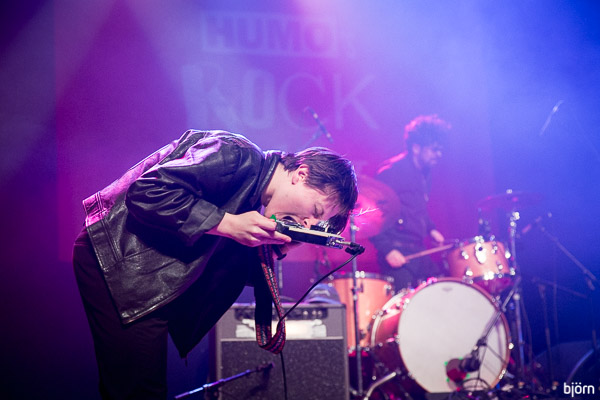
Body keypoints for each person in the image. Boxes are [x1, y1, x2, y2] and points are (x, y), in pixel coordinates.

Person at [73, 129, 358, 399]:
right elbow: (146, 191)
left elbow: (226, 267)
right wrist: (227, 223)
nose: (309, 223)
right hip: (118, 261)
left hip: (142, 276)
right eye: (315, 210)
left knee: (137, 388)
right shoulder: (235, 153)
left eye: (317, 222)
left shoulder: (254, 199)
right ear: (301, 174)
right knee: (138, 391)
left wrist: (273, 249)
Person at [370, 115, 450, 291]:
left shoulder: (425, 173)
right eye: (434, 150)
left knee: (443, 291)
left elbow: (417, 207)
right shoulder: (392, 173)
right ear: (416, 148)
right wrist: (387, 250)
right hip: (397, 253)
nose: (439, 155)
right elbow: (370, 215)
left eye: (440, 150)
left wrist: (431, 229)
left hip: (419, 251)